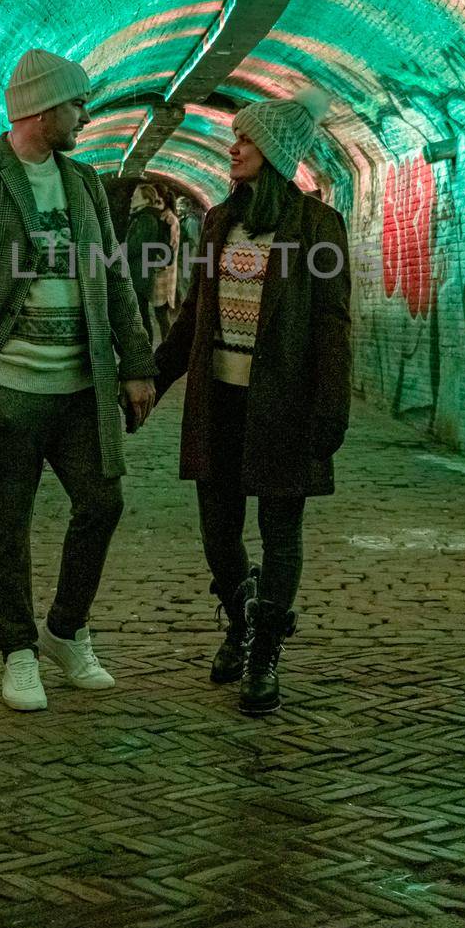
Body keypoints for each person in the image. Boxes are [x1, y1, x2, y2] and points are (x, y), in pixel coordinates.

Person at [0, 48, 156, 713]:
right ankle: (17, 652)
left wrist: (136, 365)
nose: (84, 115)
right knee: (6, 527)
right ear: (43, 110)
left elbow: (114, 282)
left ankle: (66, 630)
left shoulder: (85, 184)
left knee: (103, 503)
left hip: (79, 390)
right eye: (76, 105)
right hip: (6, 392)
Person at [154, 87, 351, 716]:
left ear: (271, 152)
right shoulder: (218, 222)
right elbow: (193, 318)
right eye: (236, 138)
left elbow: (331, 327)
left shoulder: (318, 228)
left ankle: (264, 648)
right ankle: (240, 617)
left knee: (280, 532)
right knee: (218, 531)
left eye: (244, 139)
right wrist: (153, 381)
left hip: (286, 404)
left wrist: (329, 414)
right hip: (221, 403)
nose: (232, 147)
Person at [125, 181, 164, 341]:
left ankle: (146, 349)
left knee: (140, 315)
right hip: (140, 273)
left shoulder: (146, 219)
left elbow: (135, 246)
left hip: (140, 275)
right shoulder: (143, 217)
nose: (132, 198)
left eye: (136, 196)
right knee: (139, 314)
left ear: (146, 200)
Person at [151, 185, 181, 341]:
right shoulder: (163, 217)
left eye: (156, 201)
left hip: (164, 271)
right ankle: (166, 346)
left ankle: (167, 346)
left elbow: (170, 246)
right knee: (160, 313)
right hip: (162, 270)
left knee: (162, 313)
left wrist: (158, 263)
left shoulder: (170, 219)